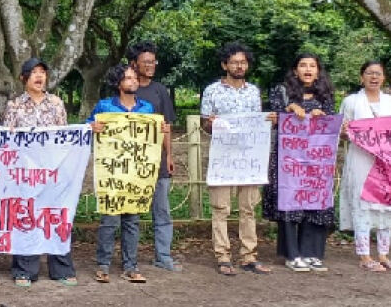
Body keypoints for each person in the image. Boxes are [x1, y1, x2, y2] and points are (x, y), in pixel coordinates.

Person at [199, 42, 273, 276]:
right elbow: (204, 125)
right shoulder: (212, 91)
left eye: (243, 62)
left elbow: (255, 123)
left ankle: (249, 256)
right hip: (223, 157)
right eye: (234, 62)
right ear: (225, 65)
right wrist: (210, 124)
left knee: (248, 207)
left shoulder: (253, 91)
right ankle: (223, 256)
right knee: (221, 208)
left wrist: (267, 120)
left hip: (250, 158)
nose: (239, 66)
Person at [2, 57, 76, 288]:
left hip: (53, 173)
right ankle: (24, 270)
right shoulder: (14, 106)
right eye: (33, 72)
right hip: (24, 175)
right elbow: (8, 141)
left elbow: (64, 138)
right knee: (26, 219)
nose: (39, 76)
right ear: (24, 78)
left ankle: (61, 269)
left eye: (42, 72)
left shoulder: (56, 104)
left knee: (56, 218)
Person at [261, 53, 335, 272]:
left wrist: (321, 115)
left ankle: (312, 253)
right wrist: (290, 110)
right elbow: (273, 116)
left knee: (314, 202)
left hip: (316, 158)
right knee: (290, 203)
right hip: (289, 158)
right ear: (295, 70)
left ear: (318, 71)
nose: (308, 69)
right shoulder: (280, 91)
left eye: (313, 66)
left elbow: (330, 121)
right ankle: (292, 254)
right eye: (303, 65)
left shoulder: (325, 94)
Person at [88, 64, 155, 285]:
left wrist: (160, 131)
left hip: (136, 174)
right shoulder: (104, 106)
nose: (134, 81)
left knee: (132, 222)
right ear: (118, 83)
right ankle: (103, 265)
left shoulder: (147, 108)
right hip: (112, 174)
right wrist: (92, 127)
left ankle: (131, 266)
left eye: (135, 77)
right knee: (109, 221)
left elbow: (152, 137)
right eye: (128, 78)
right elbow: (87, 126)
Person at [340, 61, 391, 272]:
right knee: (362, 204)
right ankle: (364, 255)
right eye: (369, 73)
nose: (373, 77)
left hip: (386, 162)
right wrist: (346, 130)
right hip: (361, 159)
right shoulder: (351, 101)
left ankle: (384, 254)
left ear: (384, 78)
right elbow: (341, 132)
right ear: (362, 77)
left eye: (378, 74)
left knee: (386, 205)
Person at [128, 41, 181, 272]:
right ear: (134, 64)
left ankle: (163, 255)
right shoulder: (126, 89)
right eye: (145, 62)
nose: (150, 66)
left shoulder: (160, 90)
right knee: (131, 213)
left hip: (156, 159)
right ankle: (130, 259)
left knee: (162, 210)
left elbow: (166, 125)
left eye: (153, 62)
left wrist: (168, 154)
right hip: (129, 161)